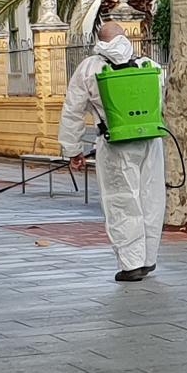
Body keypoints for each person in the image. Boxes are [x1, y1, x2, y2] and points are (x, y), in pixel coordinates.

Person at [59, 22, 166, 282]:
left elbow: (73, 111)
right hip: (151, 141)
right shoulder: (149, 66)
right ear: (125, 38)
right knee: (150, 199)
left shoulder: (90, 68)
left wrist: (73, 150)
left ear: (99, 41)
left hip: (114, 143)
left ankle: (131, 264)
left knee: (122, 200)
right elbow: (160, 100)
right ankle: (148, 258)